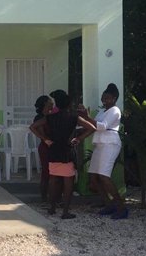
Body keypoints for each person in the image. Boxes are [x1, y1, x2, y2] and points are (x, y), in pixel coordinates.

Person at [30, 89, 96, 219]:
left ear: (57, 105)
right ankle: (65, 211)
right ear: (69, 104)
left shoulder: (49, 117)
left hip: (53, 149)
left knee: (53, 179)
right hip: (67, 150)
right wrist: (79, 139)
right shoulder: (74, 117)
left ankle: (52, 207)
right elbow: (92, 128)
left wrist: (45, 139)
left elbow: (33, 127)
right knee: (68, 181)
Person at [79, 83, 127, 219]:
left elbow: (102, 126)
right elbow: (93, 126)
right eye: (103, 98)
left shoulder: (115, 110)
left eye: (107, 98)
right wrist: (83, 121)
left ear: (114, 98)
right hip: (100, 144)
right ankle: (109, 205)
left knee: (104, 176)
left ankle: (122, 208)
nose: (104, 100)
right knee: (94, 178)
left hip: (110, 144)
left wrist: (86, 118)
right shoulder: (102, 111)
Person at [33, 95, 54, 202]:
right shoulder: (40, 117)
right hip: (46, 147)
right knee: (46, 172)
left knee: (53, 172)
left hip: (53, 146)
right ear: (45, 103)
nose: (52, 103)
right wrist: (46, 139)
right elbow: (40, 132)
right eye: (50, 101)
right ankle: (44, 197)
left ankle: (52, 195)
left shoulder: (52, 115)